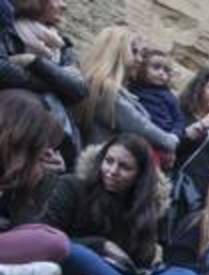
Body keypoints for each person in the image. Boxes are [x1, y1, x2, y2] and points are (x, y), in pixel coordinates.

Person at [43, 134, 209, 275]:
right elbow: (48, 238)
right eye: (108, 161)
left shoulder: (145, 207)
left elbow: (141, 263)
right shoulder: (72, 186)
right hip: (78, 265)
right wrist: (100, 245)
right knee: (75, 252)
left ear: (140, 175)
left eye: (124, 167)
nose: (112, 171)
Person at [0, 0, 87, 167]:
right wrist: (57, 79)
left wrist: (33, 61)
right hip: (15, 131)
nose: (64, 5)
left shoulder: (61, 44)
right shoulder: (7, 30)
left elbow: (79, 89)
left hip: (60, 138)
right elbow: (3, 71)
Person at [0, 90, 69, 275]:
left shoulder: (15, 178)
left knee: (55, 242)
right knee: (55, 243)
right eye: (37, 148)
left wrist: (40, 183)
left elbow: (25, 225)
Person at [75, 25, 178, 154]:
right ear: (116, 52)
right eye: (134, 52)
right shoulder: (107, 90)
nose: (140, 60)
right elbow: (143, 128)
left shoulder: (103, 85)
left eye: (141, 54)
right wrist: (173, 139)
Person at [169, 68, 209, 233]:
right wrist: (201, 126)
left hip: (198, 196)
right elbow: (171, 145)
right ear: (200, 88)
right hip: (171, 186)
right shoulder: (180, 114)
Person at [129, 47, 183, 143]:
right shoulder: (134, 88)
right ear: (143, 68)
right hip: (137, 134)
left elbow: (179, 120)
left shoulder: (169, 96)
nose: (161, 73)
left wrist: (174, 135)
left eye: (166, 70)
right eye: (156, 67)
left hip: (164, 137)